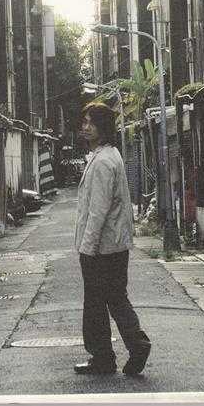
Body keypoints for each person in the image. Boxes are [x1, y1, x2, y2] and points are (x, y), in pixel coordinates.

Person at [74, 102, 151, 376]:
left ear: (103, 127)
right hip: (114, 245)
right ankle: (134, 346)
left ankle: (104, 357)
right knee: (116, 298)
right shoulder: (109, 155)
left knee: (96, 304)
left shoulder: (103, 162)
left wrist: (87, 247)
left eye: (91, 123)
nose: (85, 127)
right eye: (84, 121)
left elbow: (98, 210)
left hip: (102, 248)